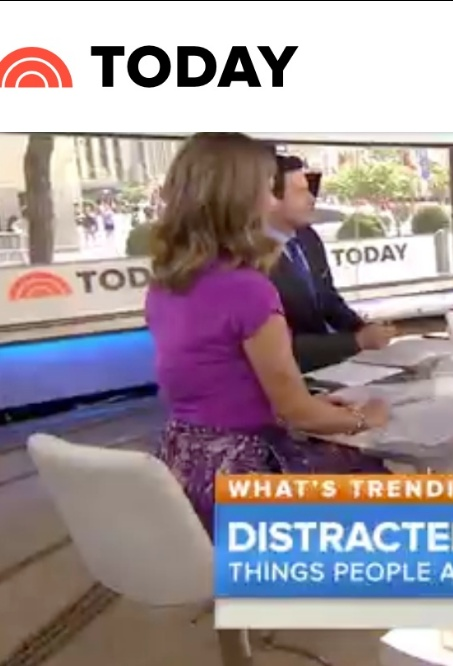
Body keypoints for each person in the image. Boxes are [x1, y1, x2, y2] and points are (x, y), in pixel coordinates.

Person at [145, 133, 390, 538]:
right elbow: (297, 414)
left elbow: (220, 384)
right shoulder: (249, 289)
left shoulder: (164, 285)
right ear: (239, 199)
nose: (273, 202)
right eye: (266, 189)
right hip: (244, 478)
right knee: (390, 486)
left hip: (182, 468)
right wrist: (364, 418)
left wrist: (308, 404)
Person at [265, 154, 396, 372]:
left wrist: (363, 329)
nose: (311, 199)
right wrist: (355, 342)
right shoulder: (248, 256)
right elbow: (275, 345)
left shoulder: (308, 237)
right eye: (300, 191)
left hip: (330, 367)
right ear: (271, 198)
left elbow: (328, 300)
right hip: (287, 373)